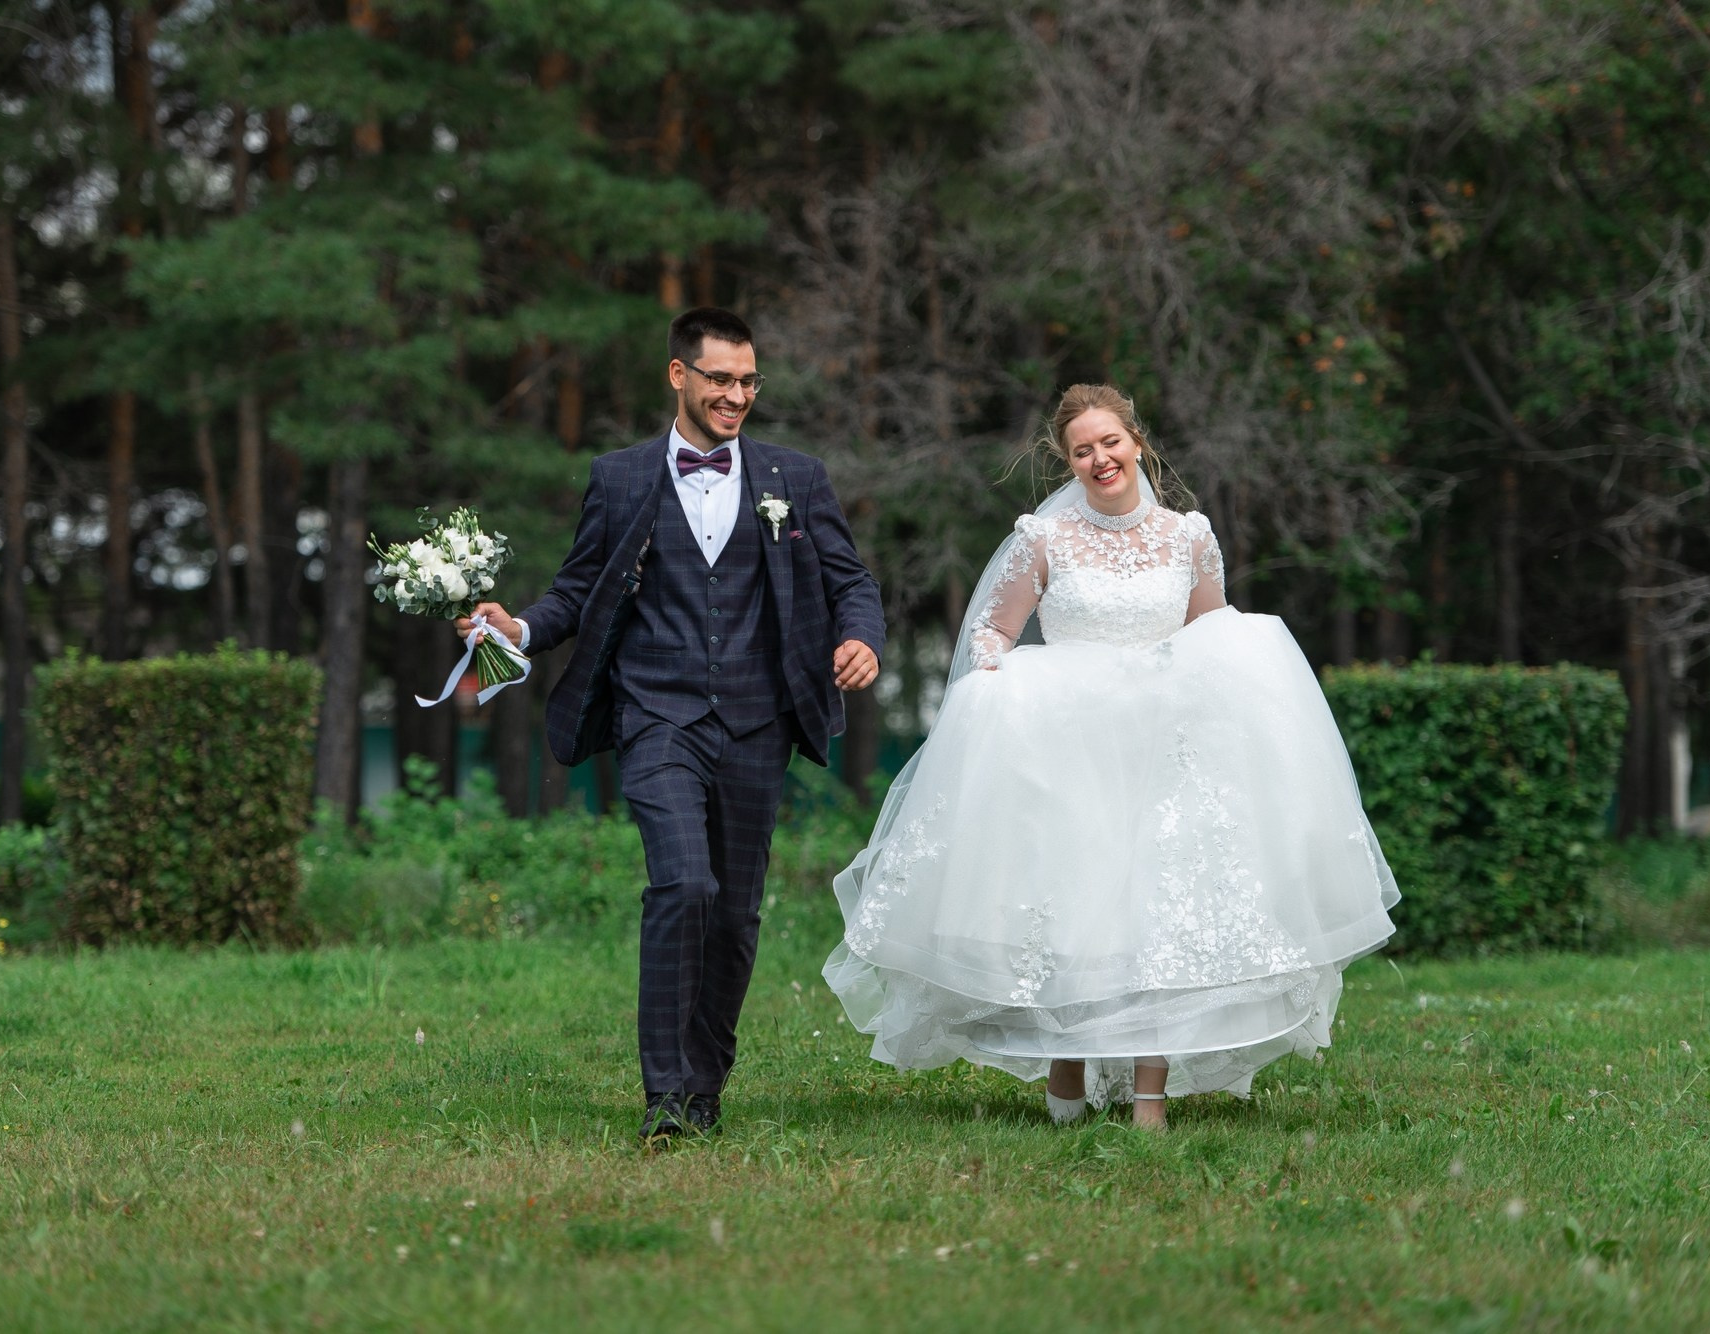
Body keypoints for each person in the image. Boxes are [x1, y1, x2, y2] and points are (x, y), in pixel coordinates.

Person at [823, 384, 1398, 1128]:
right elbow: (995, 630)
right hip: (1071, 747)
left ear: (1137, 443)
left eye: (1110, 442)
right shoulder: (1044, 539)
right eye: (1081, 451)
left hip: (1163, 745)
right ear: (1067, 463)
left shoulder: (1189, 537)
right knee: (1076, 910)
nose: (1099, 459)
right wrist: (1001, 679)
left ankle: (1149, 1093)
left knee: (1158, 913)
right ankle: (1067, 1066)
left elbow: (1212, 635)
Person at [461, 307, 887, 1142]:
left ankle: (705, 1085)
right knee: (683, 884)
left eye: (748, 381)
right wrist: (519, 629)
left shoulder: (795, 477)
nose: (737, 395)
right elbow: (577, 590)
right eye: (721, 379)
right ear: (678, 375)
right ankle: (664, 1093)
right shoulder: (619, 478)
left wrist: (860, 637)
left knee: (734, 914)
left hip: (759, 721)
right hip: (656, 713)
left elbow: (852, 580)